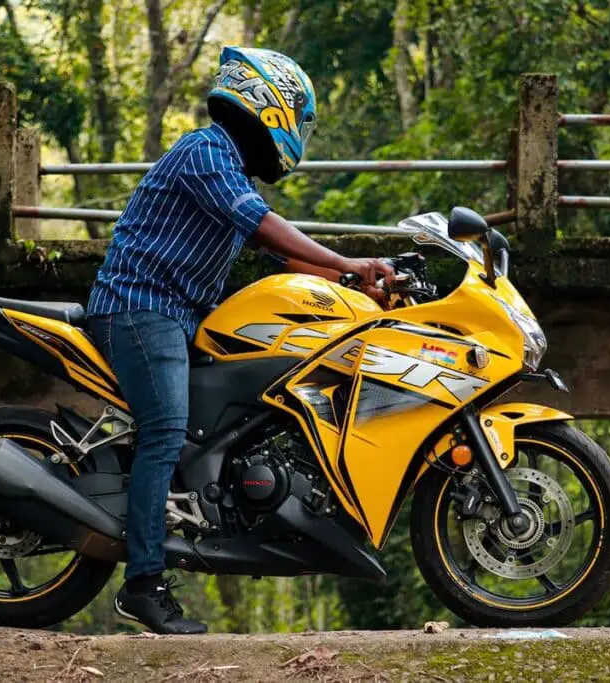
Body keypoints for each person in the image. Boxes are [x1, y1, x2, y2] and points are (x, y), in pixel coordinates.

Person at [86, 46, 394, 635]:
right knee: (164, 435)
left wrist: (361, 281)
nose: (299, 129)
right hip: (141, 309)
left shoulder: (228, 168)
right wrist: (348, 259)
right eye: (298, 114)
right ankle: (142, 585)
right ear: (267, 101)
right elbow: (263, 226)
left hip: (180, 317)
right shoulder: (204, 151)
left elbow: (281, 253)